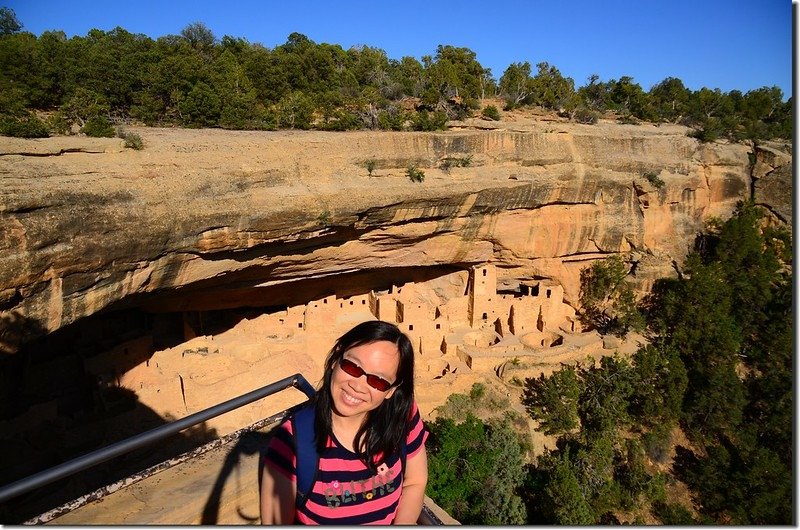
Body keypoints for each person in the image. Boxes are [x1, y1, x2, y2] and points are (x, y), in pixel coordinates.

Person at [260, 320, 429, 525]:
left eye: (377, 381)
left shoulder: (403, 416)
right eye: (352, 367)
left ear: (391, 390)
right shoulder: (293, 442)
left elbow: (415, 481)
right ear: (336, 359)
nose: (357, 385)